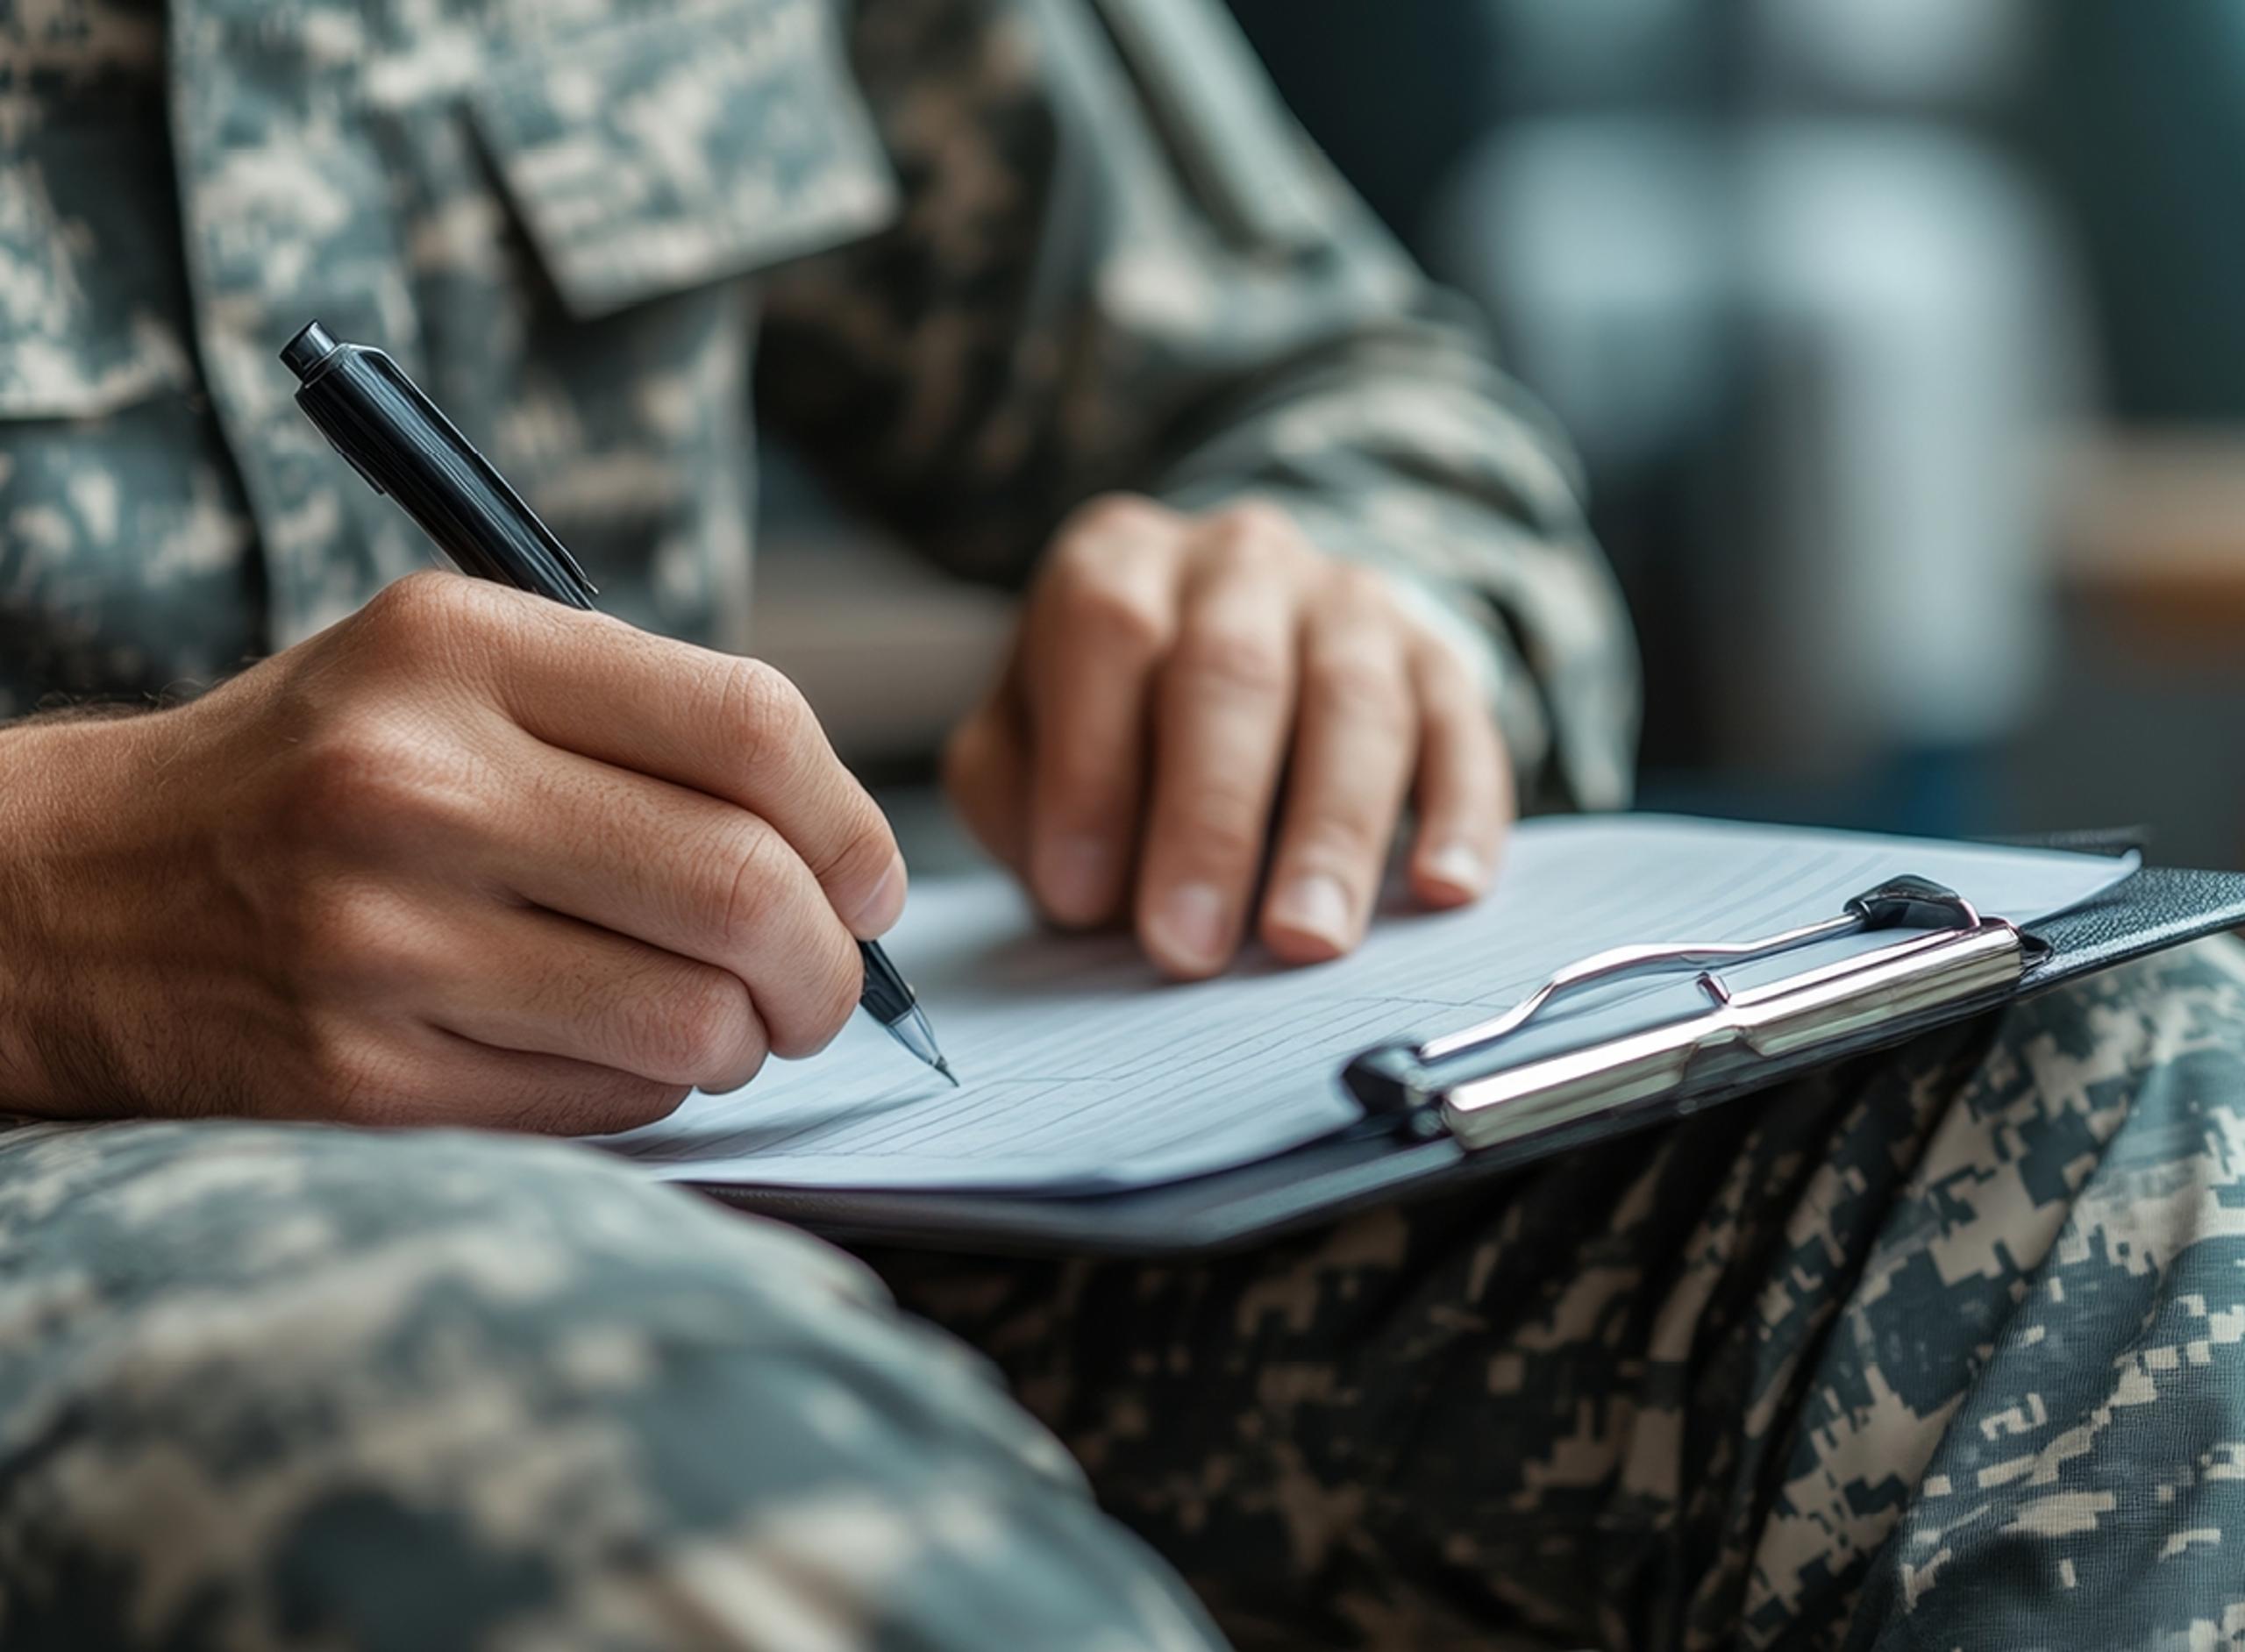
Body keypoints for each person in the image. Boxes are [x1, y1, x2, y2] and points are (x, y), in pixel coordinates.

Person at [0, 1, 2238, 1648]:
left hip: (771, 1138)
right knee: (631, 1473)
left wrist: (1336, 608)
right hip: (227, 1236)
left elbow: (1341, 389)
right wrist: (49, 899)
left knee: (2136, 1108)